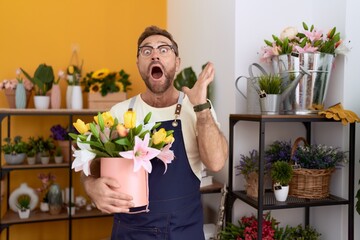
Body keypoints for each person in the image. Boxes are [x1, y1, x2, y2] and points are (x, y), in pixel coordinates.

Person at [82, 25, 228, 239]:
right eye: (146, 51)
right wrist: (90, 185)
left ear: (177, 62)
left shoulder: (196, 108)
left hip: (183, 231)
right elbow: (88, 164)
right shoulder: (119, 113)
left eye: (164, 49)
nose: (154, 55)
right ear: (138, 63)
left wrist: (201, 109)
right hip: (130, 233)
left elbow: (216, 163)